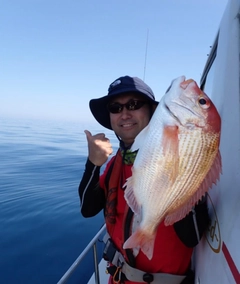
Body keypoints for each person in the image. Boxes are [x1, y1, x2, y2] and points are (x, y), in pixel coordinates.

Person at [78, 75, 209, 284]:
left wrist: (177, 172)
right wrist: (93, 164)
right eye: (115, 108)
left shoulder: (179, 158)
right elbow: (87, 209)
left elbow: (191, 236)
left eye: (134, 104)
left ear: (153, 111)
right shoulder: (114, 165)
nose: (125, 114)